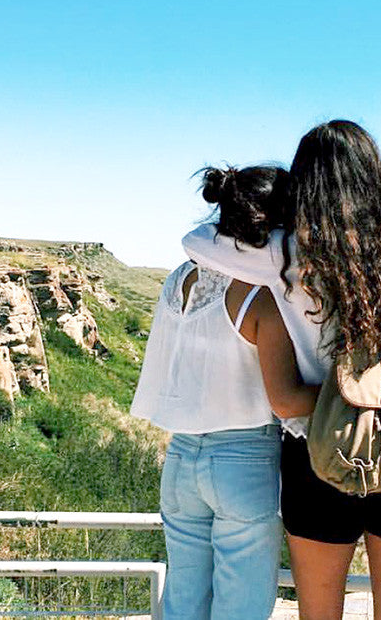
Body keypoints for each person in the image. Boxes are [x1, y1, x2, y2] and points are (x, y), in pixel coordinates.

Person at [182, 120, 381, 620]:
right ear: (378, 180)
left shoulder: (283, 257)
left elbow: (196, 241)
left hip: (318, 454)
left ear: (303, 185)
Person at [131, 165, 318, 620]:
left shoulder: (179, 279)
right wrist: (350, 391)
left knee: (183, 599)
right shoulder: (258, 297)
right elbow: (287, 400)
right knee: (242, 608)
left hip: (179, 458)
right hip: (243, 457)